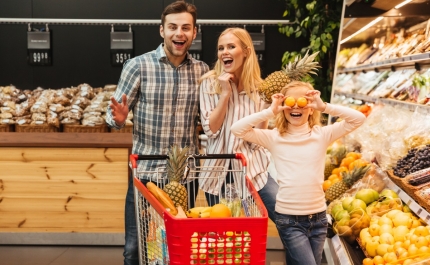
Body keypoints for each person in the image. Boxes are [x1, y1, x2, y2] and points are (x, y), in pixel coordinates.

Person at [105, 1, 209, 265]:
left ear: (194, 33)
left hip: (185, 176)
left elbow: (208, 120)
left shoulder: (202, 71)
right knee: (134, 247)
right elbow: (113, 118)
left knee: (179, 246)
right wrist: (118, 118)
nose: (179, 33)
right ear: (161, 30)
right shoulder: (138, 66)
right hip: (145, 176)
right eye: (173, 27)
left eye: (186, 28)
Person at [230, 81, 366, 265]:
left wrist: (324, 106)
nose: (295, 106)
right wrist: (270, 111)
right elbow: (237, 129)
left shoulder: (321, 135)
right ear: (284, 107)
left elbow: (358, 118)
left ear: (310, 109)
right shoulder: (274, 137)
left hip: (318, 219)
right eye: (289, 102)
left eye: (302, 101)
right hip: (289, 220)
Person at [198, 27, 278, 222]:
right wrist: (225, 94)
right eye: (220, 48)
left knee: (284, 217)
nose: (224, 52)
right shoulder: (210, 84)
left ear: (246, 52)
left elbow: (259, 138)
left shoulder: (260, 89)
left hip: (254, 170)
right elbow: (210, 130)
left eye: (231, 47)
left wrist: (268, 110)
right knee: (229, 237)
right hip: (217, 174)